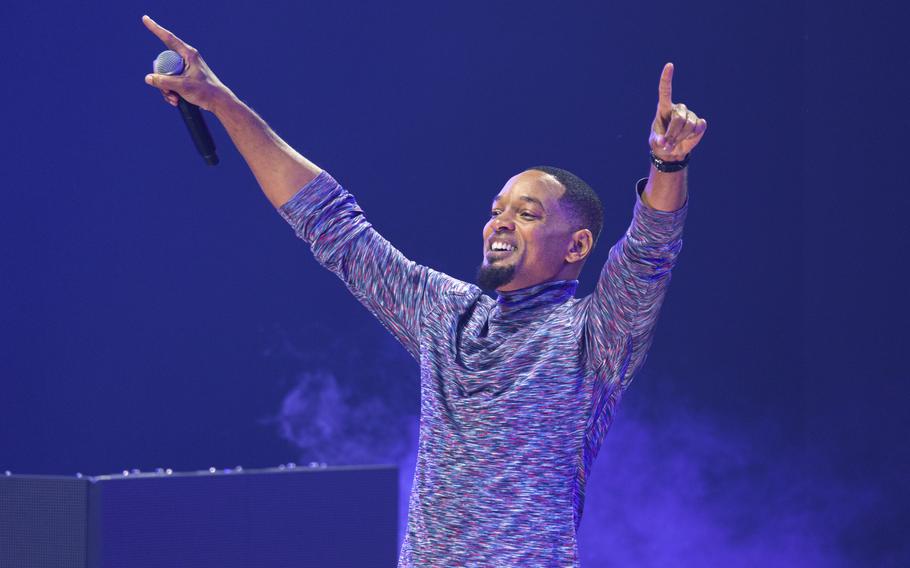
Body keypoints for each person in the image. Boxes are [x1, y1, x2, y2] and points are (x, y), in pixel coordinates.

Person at [142, 14, 707, 567]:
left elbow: (648, 254)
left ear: (577, 246)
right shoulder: (447, 313)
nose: (500, 223)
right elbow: (331, 223)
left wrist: (667, 162)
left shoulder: (594, 338)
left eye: (527, 213)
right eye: (496, 210)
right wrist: (221, 101)